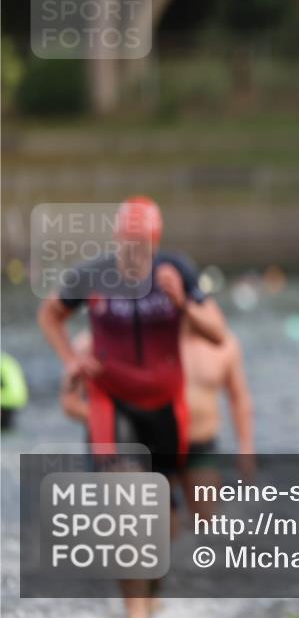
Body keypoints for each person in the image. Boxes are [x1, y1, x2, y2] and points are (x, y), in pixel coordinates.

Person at [37, 195, 226, 618]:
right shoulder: (94, 274)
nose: (134, 254)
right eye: (128, 244)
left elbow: (217, 333)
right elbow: (50, 314)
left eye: (143, 245)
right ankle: (134, 611)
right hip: (112, 405)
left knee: (164, 520)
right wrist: (71, 358)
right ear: (116, 239)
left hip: (165, 408)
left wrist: (184, 306)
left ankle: (150, 592)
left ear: (156, 242)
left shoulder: (177, 271)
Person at [62, 323, 256, 519]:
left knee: (207, 523)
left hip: (199, 444)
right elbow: (70, 403)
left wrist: (246, 447)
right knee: (155, 524)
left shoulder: (223, 342)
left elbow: (238, 398)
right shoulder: (99, 342)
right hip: (147, 445)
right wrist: (122, 419)